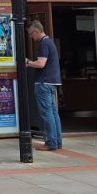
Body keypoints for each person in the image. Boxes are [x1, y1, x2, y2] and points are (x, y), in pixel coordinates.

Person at [26, 21, 62, 151]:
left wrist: (28, 62)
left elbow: (41, 63)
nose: (31, 37)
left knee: (47, 113)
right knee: (53, 113)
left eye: (31, 34)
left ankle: (51, 143)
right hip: (52, 83)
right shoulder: (50, 42)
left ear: (36, 31)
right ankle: (57, 141)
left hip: (44, 83)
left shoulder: (44, 43)